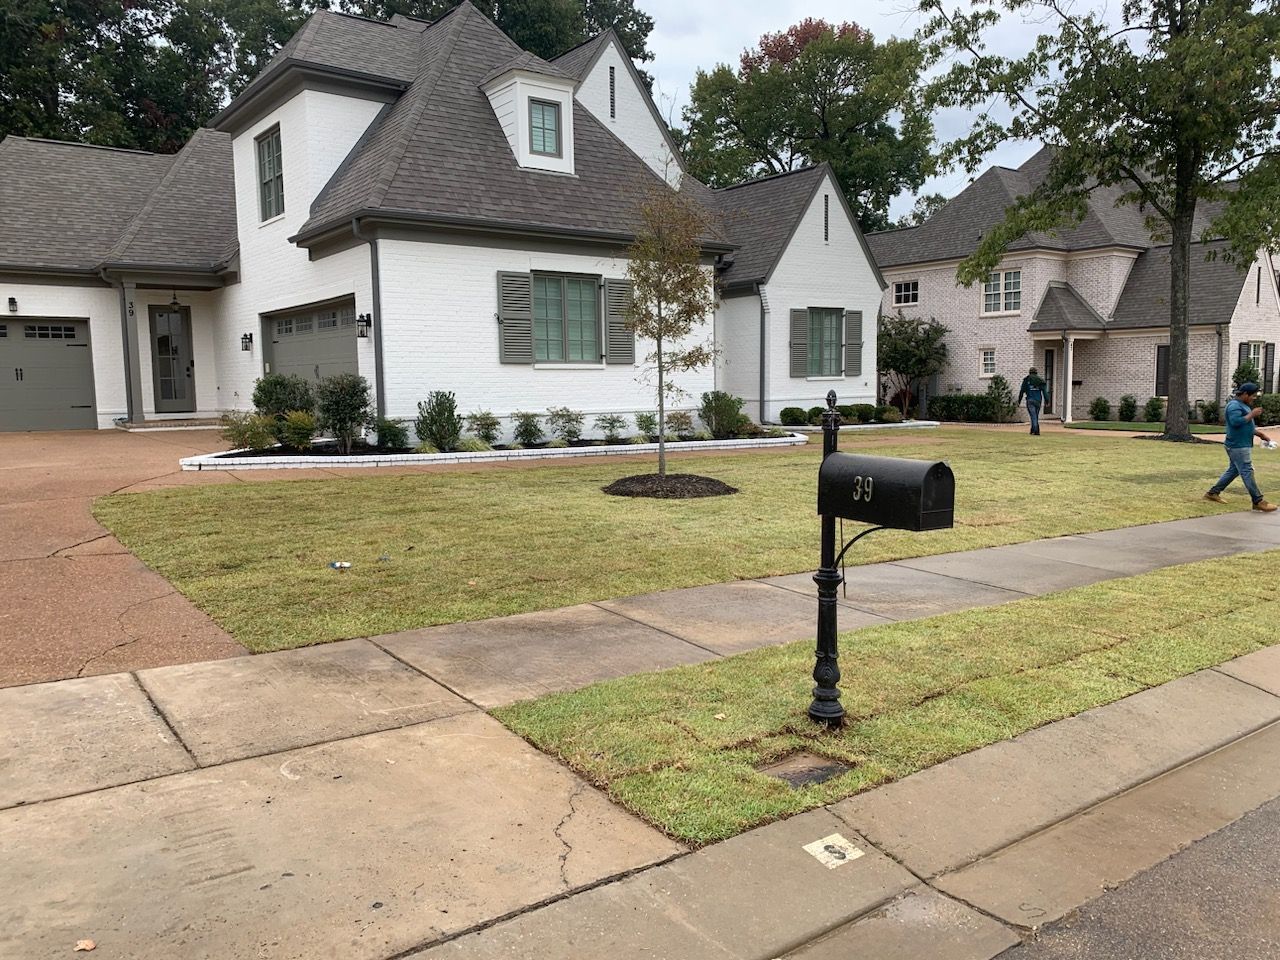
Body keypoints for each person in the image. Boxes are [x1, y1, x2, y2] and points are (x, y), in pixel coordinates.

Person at [1205, 382, 1276, 512]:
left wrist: (1260, 434)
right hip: (1237, 445)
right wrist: (1252, 414)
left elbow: (1246, 425)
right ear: (1245, 394)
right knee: (1247, 471)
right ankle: (1258, 501)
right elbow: (1236, 422)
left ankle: (1213, 493)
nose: (1254, 398)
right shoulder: (1234, 406)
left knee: (1234, 470)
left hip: (1241, 444)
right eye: (1253, 396)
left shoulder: (1243, 405)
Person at [1017, 367, 1049, 435]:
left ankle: (1036, 430)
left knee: (1033, 416)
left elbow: (1022, 391)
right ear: (1036, 372)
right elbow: (1045, 392)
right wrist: (1047, 401)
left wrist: (1019, 401)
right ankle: (1033, 430)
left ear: (1030, 372)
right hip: (1038, 400)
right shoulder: (1040, 381)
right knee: (1035, 416)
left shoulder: (1026, 380)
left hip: (1030, 400)